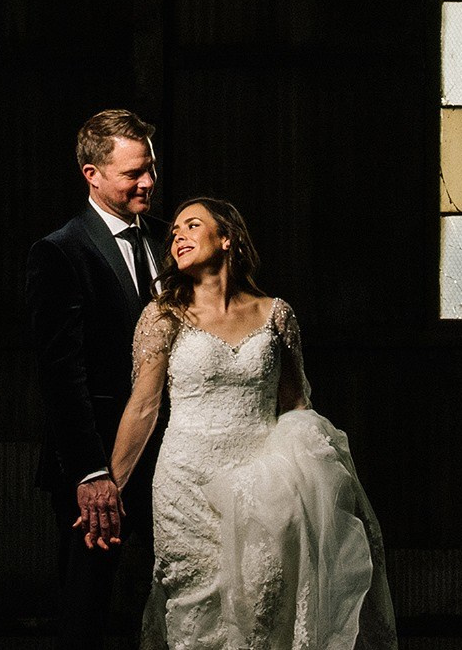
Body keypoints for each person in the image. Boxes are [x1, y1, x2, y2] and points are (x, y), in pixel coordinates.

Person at [100, 198, 395, 650]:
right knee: (196, 604)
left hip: (262, 483)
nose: (177, 234)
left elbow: (295, 404)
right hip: (186, 484)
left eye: (192, 225)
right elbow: (143, 408)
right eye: (174, 229)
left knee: (262, 602)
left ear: (226, 238)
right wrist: (110, 488)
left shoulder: (276, 314)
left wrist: (317, 474)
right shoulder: (163, 315)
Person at [28, 109, 166, 650]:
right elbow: (61, 374)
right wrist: (91, 473)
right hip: (97, 467)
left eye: (151, 168)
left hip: (173, 458)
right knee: (87, 608)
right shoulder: (60, 252)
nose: (149, 181)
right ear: (93, 174)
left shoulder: (168, 239)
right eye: (134, 173)